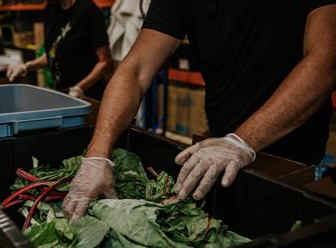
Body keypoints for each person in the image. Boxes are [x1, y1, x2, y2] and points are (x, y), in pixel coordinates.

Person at [62, 0, 336, 220]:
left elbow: (325, 60)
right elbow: (135, 70)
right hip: (218, 151)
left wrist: (243, 141)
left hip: (293, 153)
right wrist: (98, 154)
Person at [7, 0, 113, 100]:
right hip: (63, 93)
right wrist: (26, 67)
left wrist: (79, 88)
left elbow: (105, 61)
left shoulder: (88, 9)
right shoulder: (50, 10)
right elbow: (53, 54)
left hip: (89, 95)